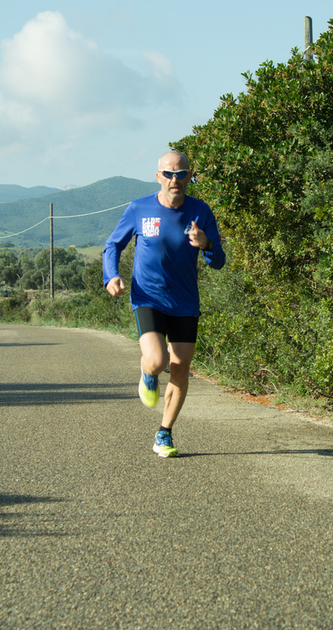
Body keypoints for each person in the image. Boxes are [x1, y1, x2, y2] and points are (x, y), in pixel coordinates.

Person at [102, 151, 225, 457]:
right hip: (148, 297)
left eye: (181, 174)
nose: (175, 180)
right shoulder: (139, 208)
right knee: (157, 361)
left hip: (184, 301)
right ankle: (148, 373)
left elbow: (219, 260)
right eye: (169, 174)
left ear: (189, 177)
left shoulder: (201, 211)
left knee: (181, 369)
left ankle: (164, 433)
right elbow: (112, 245)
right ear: (158, 177)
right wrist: (111, 275)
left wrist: (206, 244)